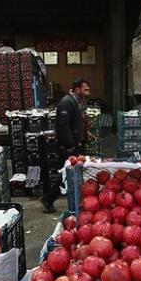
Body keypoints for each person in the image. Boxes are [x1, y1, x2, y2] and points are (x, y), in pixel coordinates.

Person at [40, 78, 91, 213]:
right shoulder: (67, 102)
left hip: (76, 143)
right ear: (77, 89)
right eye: (85, 90)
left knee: (74, 174)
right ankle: (48, 198)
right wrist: (70, 145)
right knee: (67, 175)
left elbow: (79, 121)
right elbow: (63, 125)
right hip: (68, 146)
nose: (87, 93)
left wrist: (85, 134)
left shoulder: (78, 102)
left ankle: (75, 201)